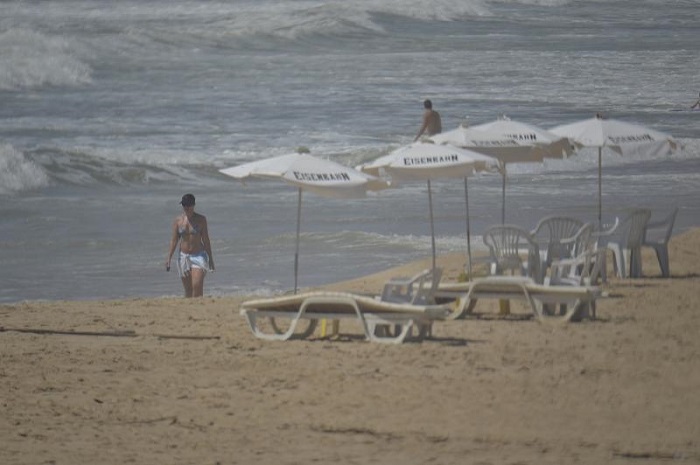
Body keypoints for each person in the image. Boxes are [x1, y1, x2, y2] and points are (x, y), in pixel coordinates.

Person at [165, 193, 215, 298]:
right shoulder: (178, 221)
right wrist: (169, 258)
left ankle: (199, 309)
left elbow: (205, 240)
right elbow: (174, 241)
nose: (186, 207)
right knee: (188, 290)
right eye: (184, 205)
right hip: (183, 257)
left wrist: (210, 258)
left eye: (188, 205)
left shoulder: (201, 220)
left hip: (199, 256)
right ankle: (190, 311)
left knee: (196, 286)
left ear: (193, 205)